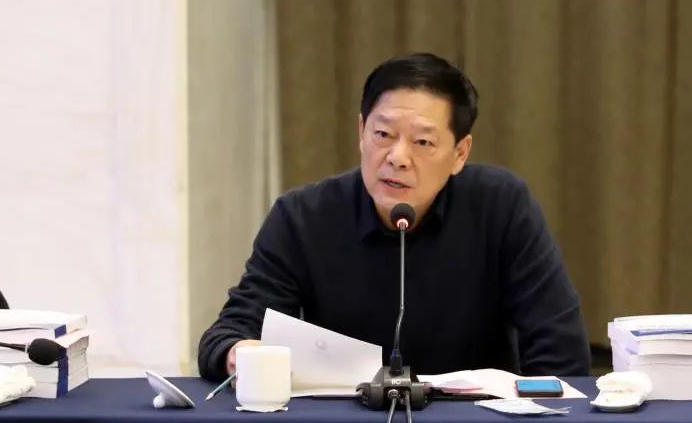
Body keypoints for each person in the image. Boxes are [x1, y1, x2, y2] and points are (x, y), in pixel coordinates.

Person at [198, 53, 590, 382]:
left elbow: (561, 353)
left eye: (423, 142)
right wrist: (239, 353)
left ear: (460, 154)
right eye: (383, 135)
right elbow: (230, 333)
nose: (398, 157)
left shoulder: (501, 206)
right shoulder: (302, 217)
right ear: (361, 131)